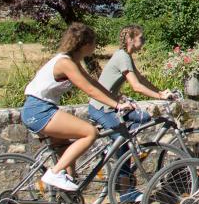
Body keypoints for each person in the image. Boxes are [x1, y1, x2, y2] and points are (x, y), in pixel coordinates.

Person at [20, 22, 132, 191]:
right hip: (39, 110)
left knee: (67, 155)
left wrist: (115, 99)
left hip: (42, 108)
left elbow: (93, 83)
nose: (95, 47)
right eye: (94, 43)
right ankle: (55, 173)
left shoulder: (72, 60)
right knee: (90, 133)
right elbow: (88, 89)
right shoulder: (65, 63)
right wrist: (116, 105)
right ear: (86, 44)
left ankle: (69, 199)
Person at [88, 24, 173, 136]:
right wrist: (160, 96)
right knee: (123, 140)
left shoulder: (125, 55)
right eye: (141, 38)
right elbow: (136, 86)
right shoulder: (123, 57)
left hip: (112, 105)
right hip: (101, 107)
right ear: (130, 39)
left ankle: (124, 143)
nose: (144, 41)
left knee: (145, 118)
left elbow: (141, 79)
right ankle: (118, 149)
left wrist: (160, 92)